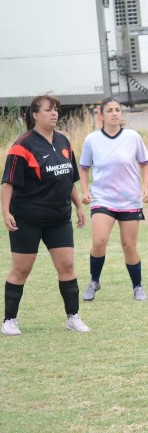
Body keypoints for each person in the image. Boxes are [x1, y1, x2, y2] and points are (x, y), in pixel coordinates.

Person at [1, 95, 89, 335]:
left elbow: (68, 177)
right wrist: (6, 211)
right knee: (21, 270)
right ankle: (9, 320)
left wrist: (78, 206)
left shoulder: (63, 141)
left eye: (56, 110)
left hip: (58, 218)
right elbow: (8, 182)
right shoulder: (23, 145)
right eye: (49, 110)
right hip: (27, 218)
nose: (54, 114)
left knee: (67, 266)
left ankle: (73, 317)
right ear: (35, 115)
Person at [79, 97, 148, 302]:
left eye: (118, 110)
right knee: (99, 241)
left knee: (129, 245)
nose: (114, 113)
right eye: (109, 110)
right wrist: (85, 191)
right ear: (101, 115)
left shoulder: (133, 137)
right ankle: (94, 281)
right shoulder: (92, 140)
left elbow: (145, 164)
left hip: (129, 200)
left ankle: (137, 286)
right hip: (103, 199)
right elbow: (83, 168)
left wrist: (145, 188)